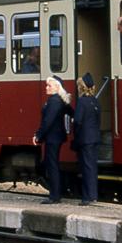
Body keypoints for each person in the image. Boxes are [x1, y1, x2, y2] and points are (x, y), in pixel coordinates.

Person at [32, 75, 72, 204]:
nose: (46, 87)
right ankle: (56, 194)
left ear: (56, 87)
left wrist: (38, 135)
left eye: (49, 85)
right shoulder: (59, 100)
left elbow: (48, 121)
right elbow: (71, 112)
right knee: (52, 164)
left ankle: (54, 196)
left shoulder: (54, 101)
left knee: (52, 165)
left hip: (53, 138)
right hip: (56, 137)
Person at [72, 73, 101, 206]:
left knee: (86, 167)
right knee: (92, 167)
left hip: (85, 139)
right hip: (95, 138)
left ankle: (87, 197)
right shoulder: (95, 101)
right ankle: (93, 195)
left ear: (81, 87)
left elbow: (77, 121)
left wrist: (76, 135)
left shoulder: (82, 102)